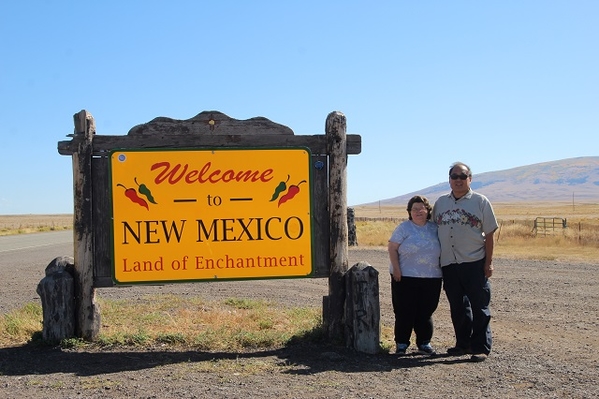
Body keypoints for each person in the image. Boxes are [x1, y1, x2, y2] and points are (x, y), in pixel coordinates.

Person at [432, 162, 498, 362]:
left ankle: (480, 347)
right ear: (449, 179)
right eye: (454, 176)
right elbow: (433, 230)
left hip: (474, 261)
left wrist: (488, 262)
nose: (458, 180)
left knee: (479, 305)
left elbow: (490, 234)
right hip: (449, 264)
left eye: (463, 176)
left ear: (470, 178)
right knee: (458, 306)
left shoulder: (480, 201)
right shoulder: (441, 203)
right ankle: (462, 344)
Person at [388, 195, 442, 356]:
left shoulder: (435, 228)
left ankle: (424, 343)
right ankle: (402, 343)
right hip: (405, 276)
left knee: (426, 312)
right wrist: (396, 269)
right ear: (409, 212)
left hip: (432, 276)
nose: (418, 212)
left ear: (428, 210)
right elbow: (392, 248)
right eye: (415, 209)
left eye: (421, 208)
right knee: (404, 311)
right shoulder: (404, 228)